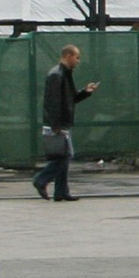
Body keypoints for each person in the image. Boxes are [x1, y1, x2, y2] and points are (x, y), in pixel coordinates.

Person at [33, 44, 99, 200]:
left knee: (61, 156)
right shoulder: (57, 75)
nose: (78, 61)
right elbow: (53, 102)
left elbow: (70, 98)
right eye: (77, 57)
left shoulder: (64, 74)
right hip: (57, 124)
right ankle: (41, 180)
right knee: (66, 155)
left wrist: (85, 92)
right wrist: (55, 125)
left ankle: (61, 192)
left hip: (60, 122)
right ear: (68, 56)